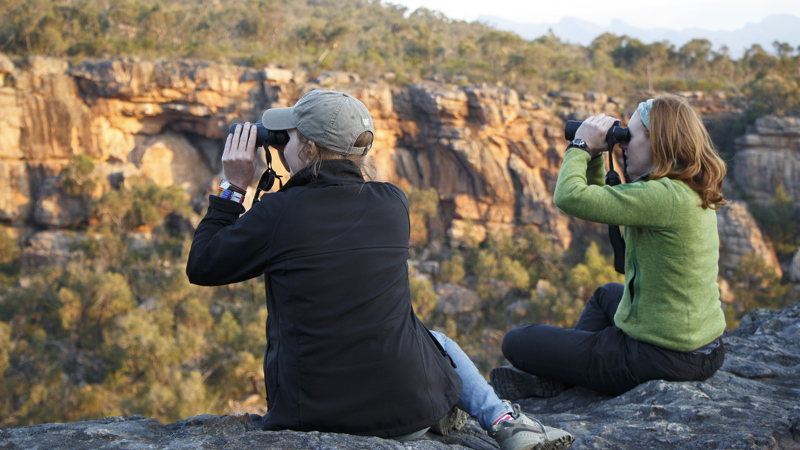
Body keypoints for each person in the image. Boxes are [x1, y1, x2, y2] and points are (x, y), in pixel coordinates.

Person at [186, 90, 574, 450]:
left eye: (286, 137)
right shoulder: (393, 203)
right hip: (409, 416)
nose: (280, 144)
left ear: (307, 147)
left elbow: (203, 265)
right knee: (431, 336)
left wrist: (233, 186)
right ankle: (504, 421)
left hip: (315, 418)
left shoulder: (277, 213)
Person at [492, 94, 727, 399]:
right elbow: (604, 200)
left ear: (659, 141)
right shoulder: (681, 188)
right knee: (606, 294)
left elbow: (569, 197)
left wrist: (580, 146)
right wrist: (597, 155)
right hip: (701, 348)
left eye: (629, 137)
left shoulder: (662, 197)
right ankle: (571, 371)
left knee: (516, 342)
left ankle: (565, 376)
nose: (623, 144)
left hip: (662, 357)